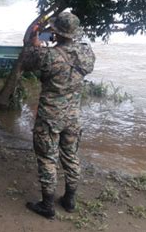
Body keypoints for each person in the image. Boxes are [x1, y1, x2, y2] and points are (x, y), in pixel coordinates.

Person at [22, 12, 95, 219]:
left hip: (49, 117)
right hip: (73, 116)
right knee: (70, 156)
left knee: (47, 158)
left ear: (56, 32)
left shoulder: (48, 56)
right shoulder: (86, 53)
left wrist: (34, 43)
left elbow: (27, 64)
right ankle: (70, 200)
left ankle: (47, 205)